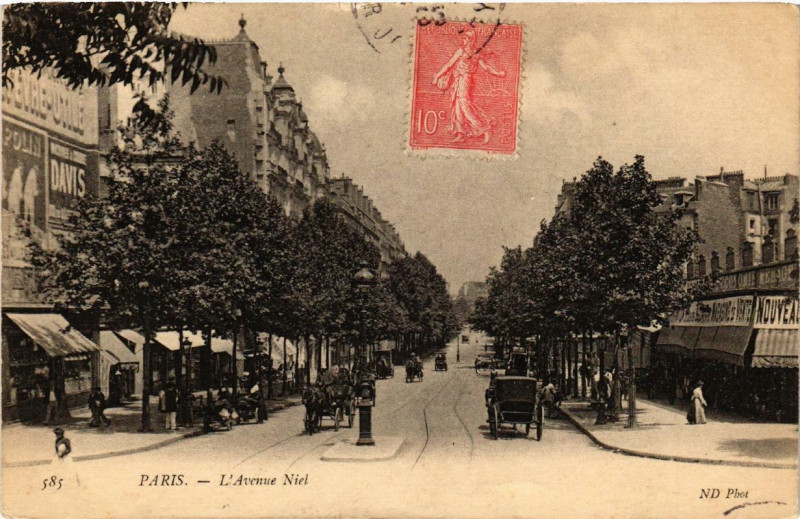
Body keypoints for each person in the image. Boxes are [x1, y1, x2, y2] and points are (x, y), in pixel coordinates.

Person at [431, 29, 506, 144]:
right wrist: (438, 76)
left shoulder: (471, 52)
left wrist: (498, 74)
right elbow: (449, 65)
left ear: (471, 40)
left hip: (465, 79)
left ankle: (484, 128)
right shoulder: (466, 51)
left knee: (464, 105)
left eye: (466, 38)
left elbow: (485, 67)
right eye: (464, 38)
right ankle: (461, 133)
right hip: (459, 79)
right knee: (457, 106)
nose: (463, 40)